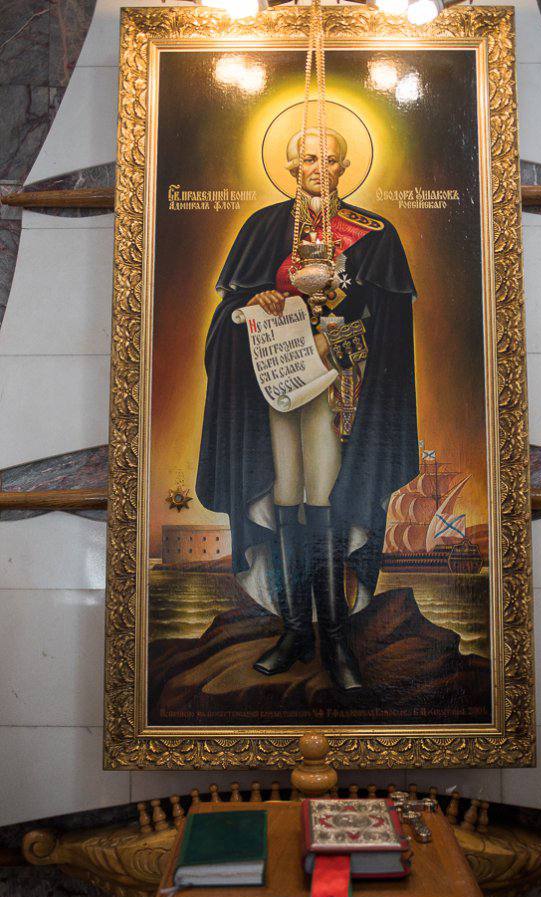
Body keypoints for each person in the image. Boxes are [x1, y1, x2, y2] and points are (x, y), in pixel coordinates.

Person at [196, 126, 418, 692]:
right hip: (275, 384)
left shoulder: (374, 234)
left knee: (325, 498)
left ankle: (335, 640)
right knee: (285, 494)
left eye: (331, 159)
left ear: (346, 166)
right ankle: (296, 632)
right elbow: (230, 313)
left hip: (338, 387)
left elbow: (388, 326)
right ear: (292, 166)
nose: (321, 168)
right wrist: (258, 300)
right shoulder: (263, 228)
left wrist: (335, 334)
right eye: (310, 158)